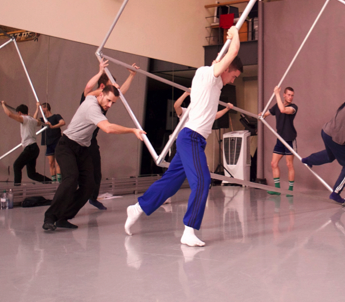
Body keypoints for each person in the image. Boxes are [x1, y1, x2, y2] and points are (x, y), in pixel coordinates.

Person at [124, 27, 242, 247]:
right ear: (226, 69)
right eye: (233, 75)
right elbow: (232, 54)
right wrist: (234, 32)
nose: (233, 80)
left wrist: (226, 44)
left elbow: (223, 59)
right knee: (203, 180)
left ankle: (138, 208)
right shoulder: (207, 75)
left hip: (194, 139)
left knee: (171, 182)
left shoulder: (215, 82)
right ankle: (189, 230)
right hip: (191, 138)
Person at [43, 85, 145, 231]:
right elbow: (108, 128)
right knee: (71, 178)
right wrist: (132, 130)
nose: (109, 105)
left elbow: (95, 91)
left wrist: (129, 78)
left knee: (89, 185)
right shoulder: (92, 107)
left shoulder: (92, 97)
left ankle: (63, 217)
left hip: (82, 148)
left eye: (113, 103)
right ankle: (50, 217)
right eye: (108, 100)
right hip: (67, 145)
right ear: (102, 95)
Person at [80, 58, 140, 210]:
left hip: (90, 140)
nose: (110, 102)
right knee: (76, 175)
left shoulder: (106, 100)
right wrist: (101, 71)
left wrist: (131, 76)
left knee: (96, 173)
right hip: (77, 140)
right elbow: (88, 88)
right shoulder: (90, 98)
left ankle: (93, 198)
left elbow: (120, 93)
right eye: (109, 88)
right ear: (102, 87)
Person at [2, 101, 52, 186]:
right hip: (34, 148)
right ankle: (49, 181)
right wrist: (36, 108)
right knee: (31, 174)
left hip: (30, 148)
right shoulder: (32, 120)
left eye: (18, 114)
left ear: (20, 113)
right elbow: (37, 121)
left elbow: (9, 114)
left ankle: (17, 188)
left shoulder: (24, 119)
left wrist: (3, 104)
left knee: (17, 166)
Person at [259, 86, 298, 196]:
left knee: (289, 164)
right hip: (280, 138)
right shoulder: (277, 105)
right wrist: (261, 116)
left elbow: (283, 110)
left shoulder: (293, 107)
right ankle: (277, 189)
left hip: (290, 139)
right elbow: (267, 113)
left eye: (292, 95)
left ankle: (290, 190)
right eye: (289, 95)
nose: (290, 97)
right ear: (284, 95)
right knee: (273, 163)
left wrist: (276, 93)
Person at [33, 102, 65, 183]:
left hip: (57, 141)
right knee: (51, 163)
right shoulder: (43, 119)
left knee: (58, 162)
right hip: (49, 143)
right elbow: (34, 121)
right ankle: (54, 181)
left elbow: (62, 122)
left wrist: (52, 126)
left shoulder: (56, 116)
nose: (41, 110)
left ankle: (59, 181)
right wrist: (37, 108)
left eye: (42, 108)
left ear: (46, 108)